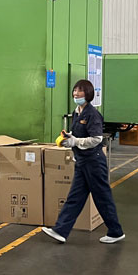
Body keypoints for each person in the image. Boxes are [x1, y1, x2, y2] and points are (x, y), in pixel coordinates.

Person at [42, 79, 125, 244]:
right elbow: (79, 134)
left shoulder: (93, 114)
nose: (75, 94)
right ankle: (60, 230)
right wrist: (69, 137)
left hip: (94, 162)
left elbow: (96, 139)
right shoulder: (76, 112)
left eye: (79, 91)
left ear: (87, 94)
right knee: (75, 197)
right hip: (82, 161)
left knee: (102, 197)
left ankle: (116, 232)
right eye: (74, 90)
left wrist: (75, 142)